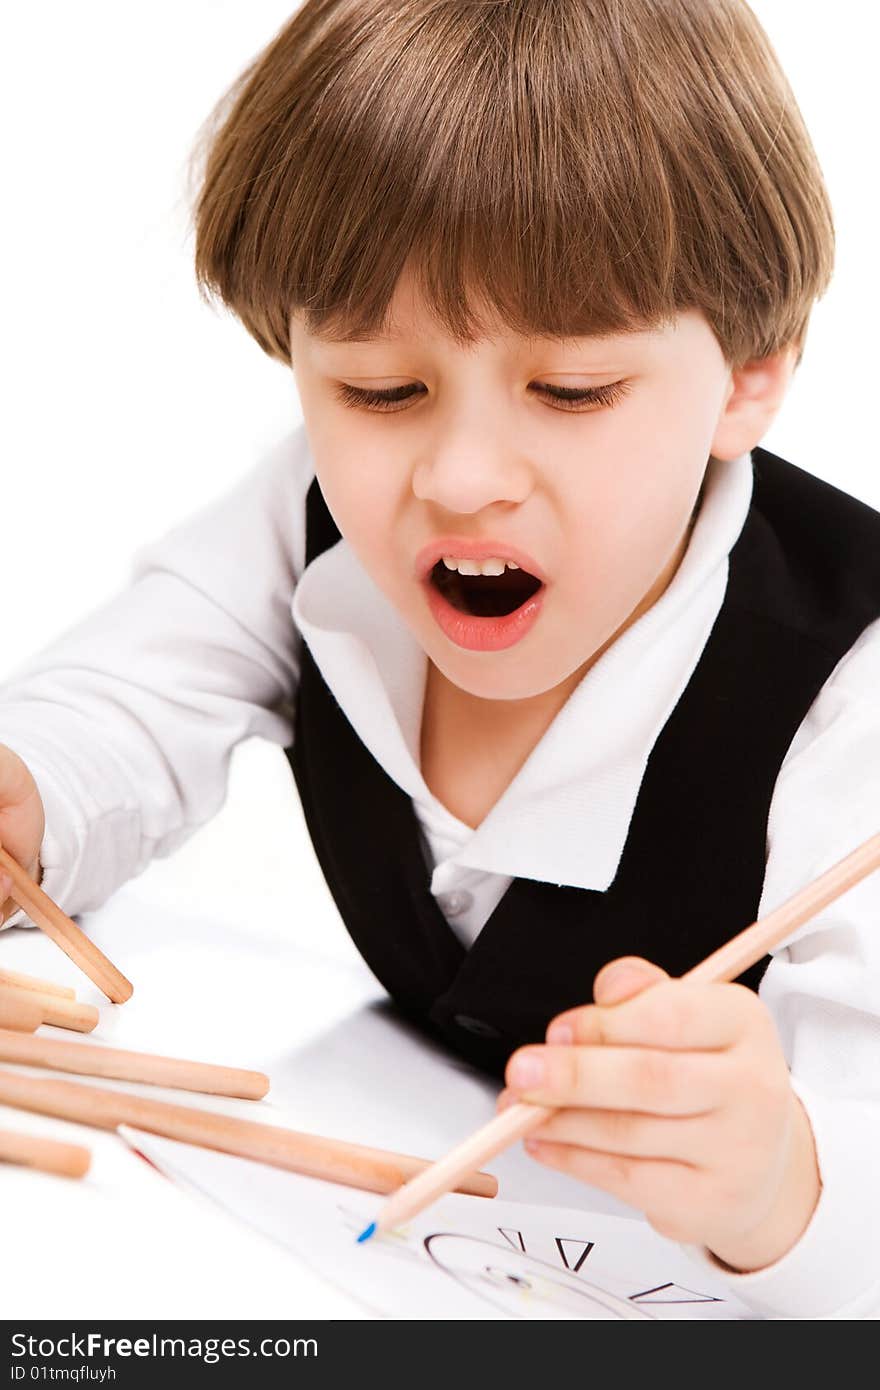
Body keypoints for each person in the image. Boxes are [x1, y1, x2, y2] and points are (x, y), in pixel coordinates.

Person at [1, 0, 878, 1318]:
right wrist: (29, 793)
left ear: (753, 373)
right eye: (377, 389)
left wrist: (782, 1185)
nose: (461, 478)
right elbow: (119, 710)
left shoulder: (848, 683)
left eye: (573, 391)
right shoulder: (302, 514)